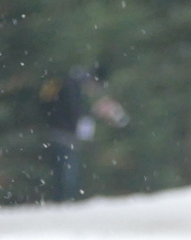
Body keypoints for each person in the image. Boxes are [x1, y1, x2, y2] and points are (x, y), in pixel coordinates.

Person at [39, 66, 129, 201]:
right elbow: (77, 114)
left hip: (58, 133)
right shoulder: (75, 90)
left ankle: (62, 199)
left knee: (61, 172)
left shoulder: (65, 84)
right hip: (65, 136)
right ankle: (65, 200)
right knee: (67, 174)